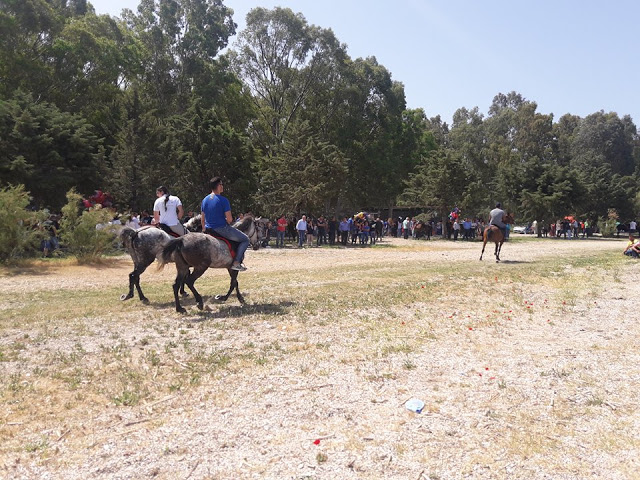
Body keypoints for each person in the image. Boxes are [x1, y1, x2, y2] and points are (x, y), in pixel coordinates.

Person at [200, 177, 250, 271]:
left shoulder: (204, 200)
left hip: (208, 229)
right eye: (221, 184)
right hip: (221, 229)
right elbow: (230, 219)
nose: (222, 186)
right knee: (245, 239)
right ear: (218, 186)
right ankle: (236, 262)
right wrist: (226, 220)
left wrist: (204, 229)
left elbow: (203, 219)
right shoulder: (223, 200)